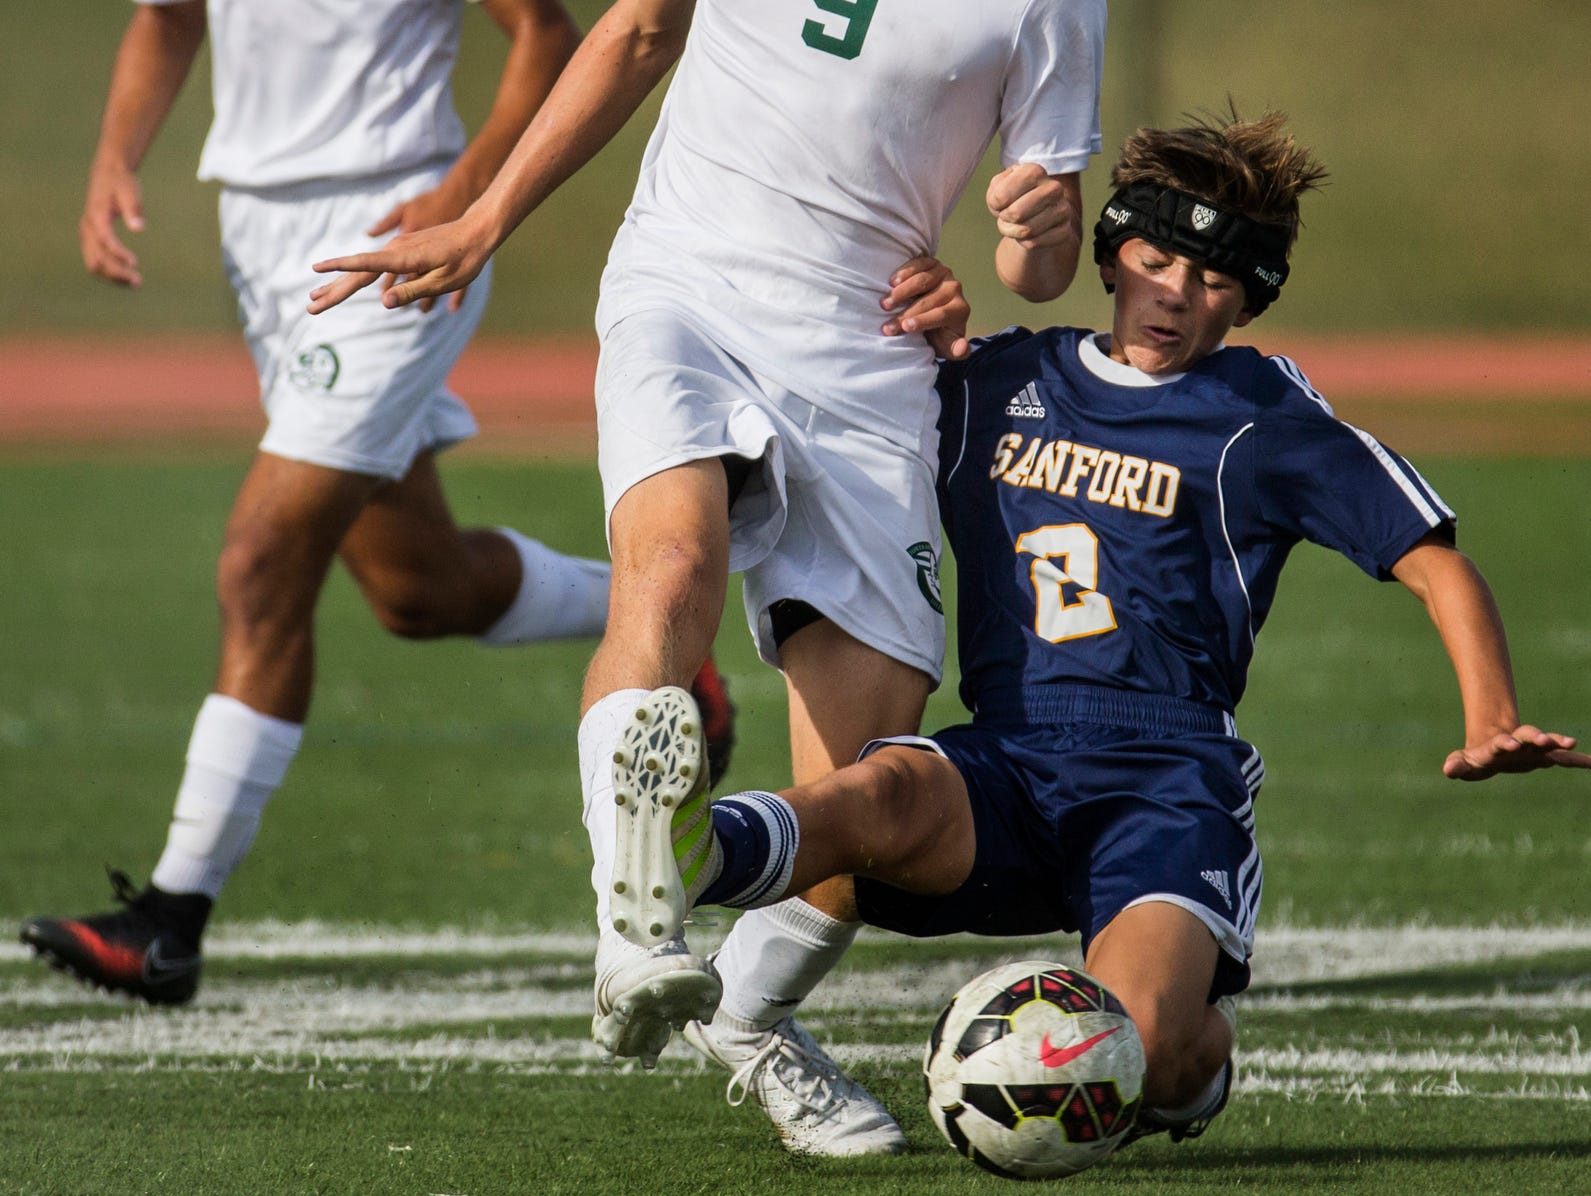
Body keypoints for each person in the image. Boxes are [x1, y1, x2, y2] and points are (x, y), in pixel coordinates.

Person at [592, 108, 1591, 1149]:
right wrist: (918, 311)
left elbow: (1437, 567)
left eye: (1209, 277)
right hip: (1009, 757)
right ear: (1113, 252)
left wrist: (1492, 715)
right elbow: (839, 405)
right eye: (1155, 257)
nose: (1173, 294)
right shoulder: (995, 381)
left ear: (1251, 293)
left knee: (1146, 1053)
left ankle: (1189, 1068)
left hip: (1164, 782)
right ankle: (669, 855)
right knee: (875, 788)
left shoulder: (1260, 417)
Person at [306, 0, 1107, 1156]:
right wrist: (486, 218)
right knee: (673, 563)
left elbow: (1039, 265)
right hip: (688, 288)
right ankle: (634, 932)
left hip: (867, 350)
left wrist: (1034, 227)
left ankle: (748, 1017)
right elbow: (636, 32)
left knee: (861, 812)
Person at [18, 0, 735, 1008]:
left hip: (393, 238)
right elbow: (167, 16)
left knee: (262, 559)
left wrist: (463, 188)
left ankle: (170, 921)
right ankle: (672, 648)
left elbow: (545, 33)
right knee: (417, 587)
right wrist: (113, 156)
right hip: (259, 242)